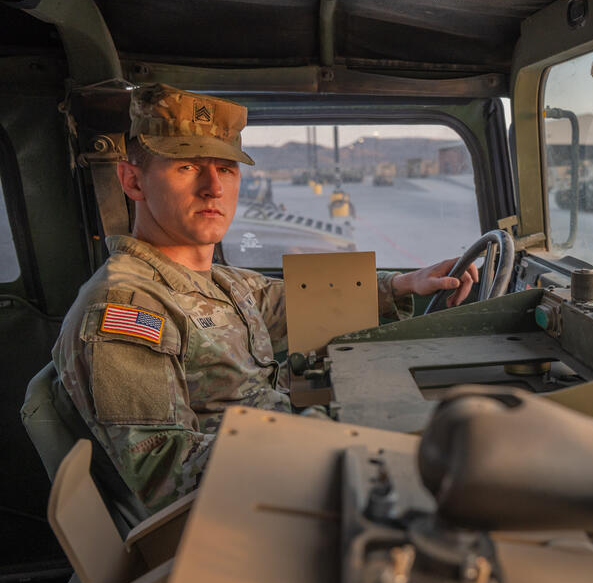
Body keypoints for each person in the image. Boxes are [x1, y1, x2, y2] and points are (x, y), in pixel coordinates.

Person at [52, 84, 477, 519]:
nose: (213, 188)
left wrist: (405, 283)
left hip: (274, 474)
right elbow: (166, 473)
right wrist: (330, 440)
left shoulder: (213, 280)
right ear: (133, 180)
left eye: (227, 169)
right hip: (238, 513)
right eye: (187, 167)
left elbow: (285, 300)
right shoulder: (124, 308)